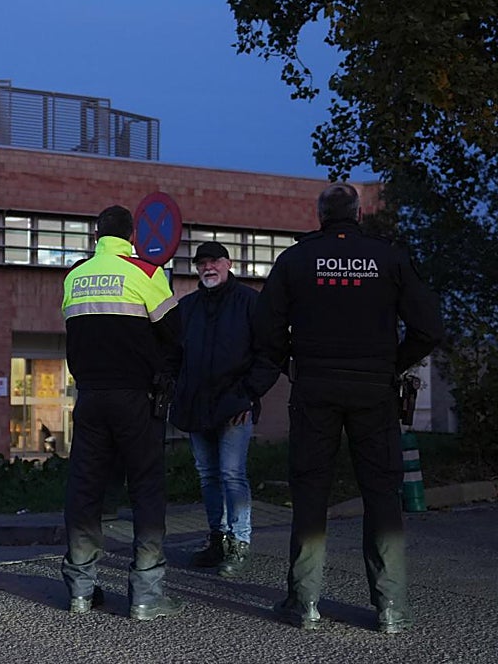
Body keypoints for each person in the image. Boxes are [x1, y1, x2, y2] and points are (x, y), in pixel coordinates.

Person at [252, 183, 444, 634]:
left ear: (320, 216)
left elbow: (265, 330)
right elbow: (429, 327)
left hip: (315, 388)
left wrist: (293, 367)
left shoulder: (295, 260)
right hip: (374, 389)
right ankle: (391, 607)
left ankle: (304, 603)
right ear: (358, 214)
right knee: (381, 493)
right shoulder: (389, 258)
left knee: (310, 490)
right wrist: (391, 365)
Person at [60, 204, 183, 621]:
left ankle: (80, 590)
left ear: (97, 236)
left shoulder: (74, 277)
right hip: (137, 399)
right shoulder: (147, 274)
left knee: (86, 488)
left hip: (90, 398)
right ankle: (146, 595)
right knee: (146, 488)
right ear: (131, 237)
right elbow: (175, 335)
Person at [169, 241, 278, 578]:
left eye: (214, 261)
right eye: (201, 263)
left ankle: (239, 543)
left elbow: (270, 353)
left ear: (228, 263)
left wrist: (247, 394)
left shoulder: (249, 302)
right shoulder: (188, 307)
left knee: (232, 475)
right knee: (209, 476)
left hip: (234, 406)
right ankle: (218, 539)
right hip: (196, 406)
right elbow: (173, 355)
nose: (207, 267)